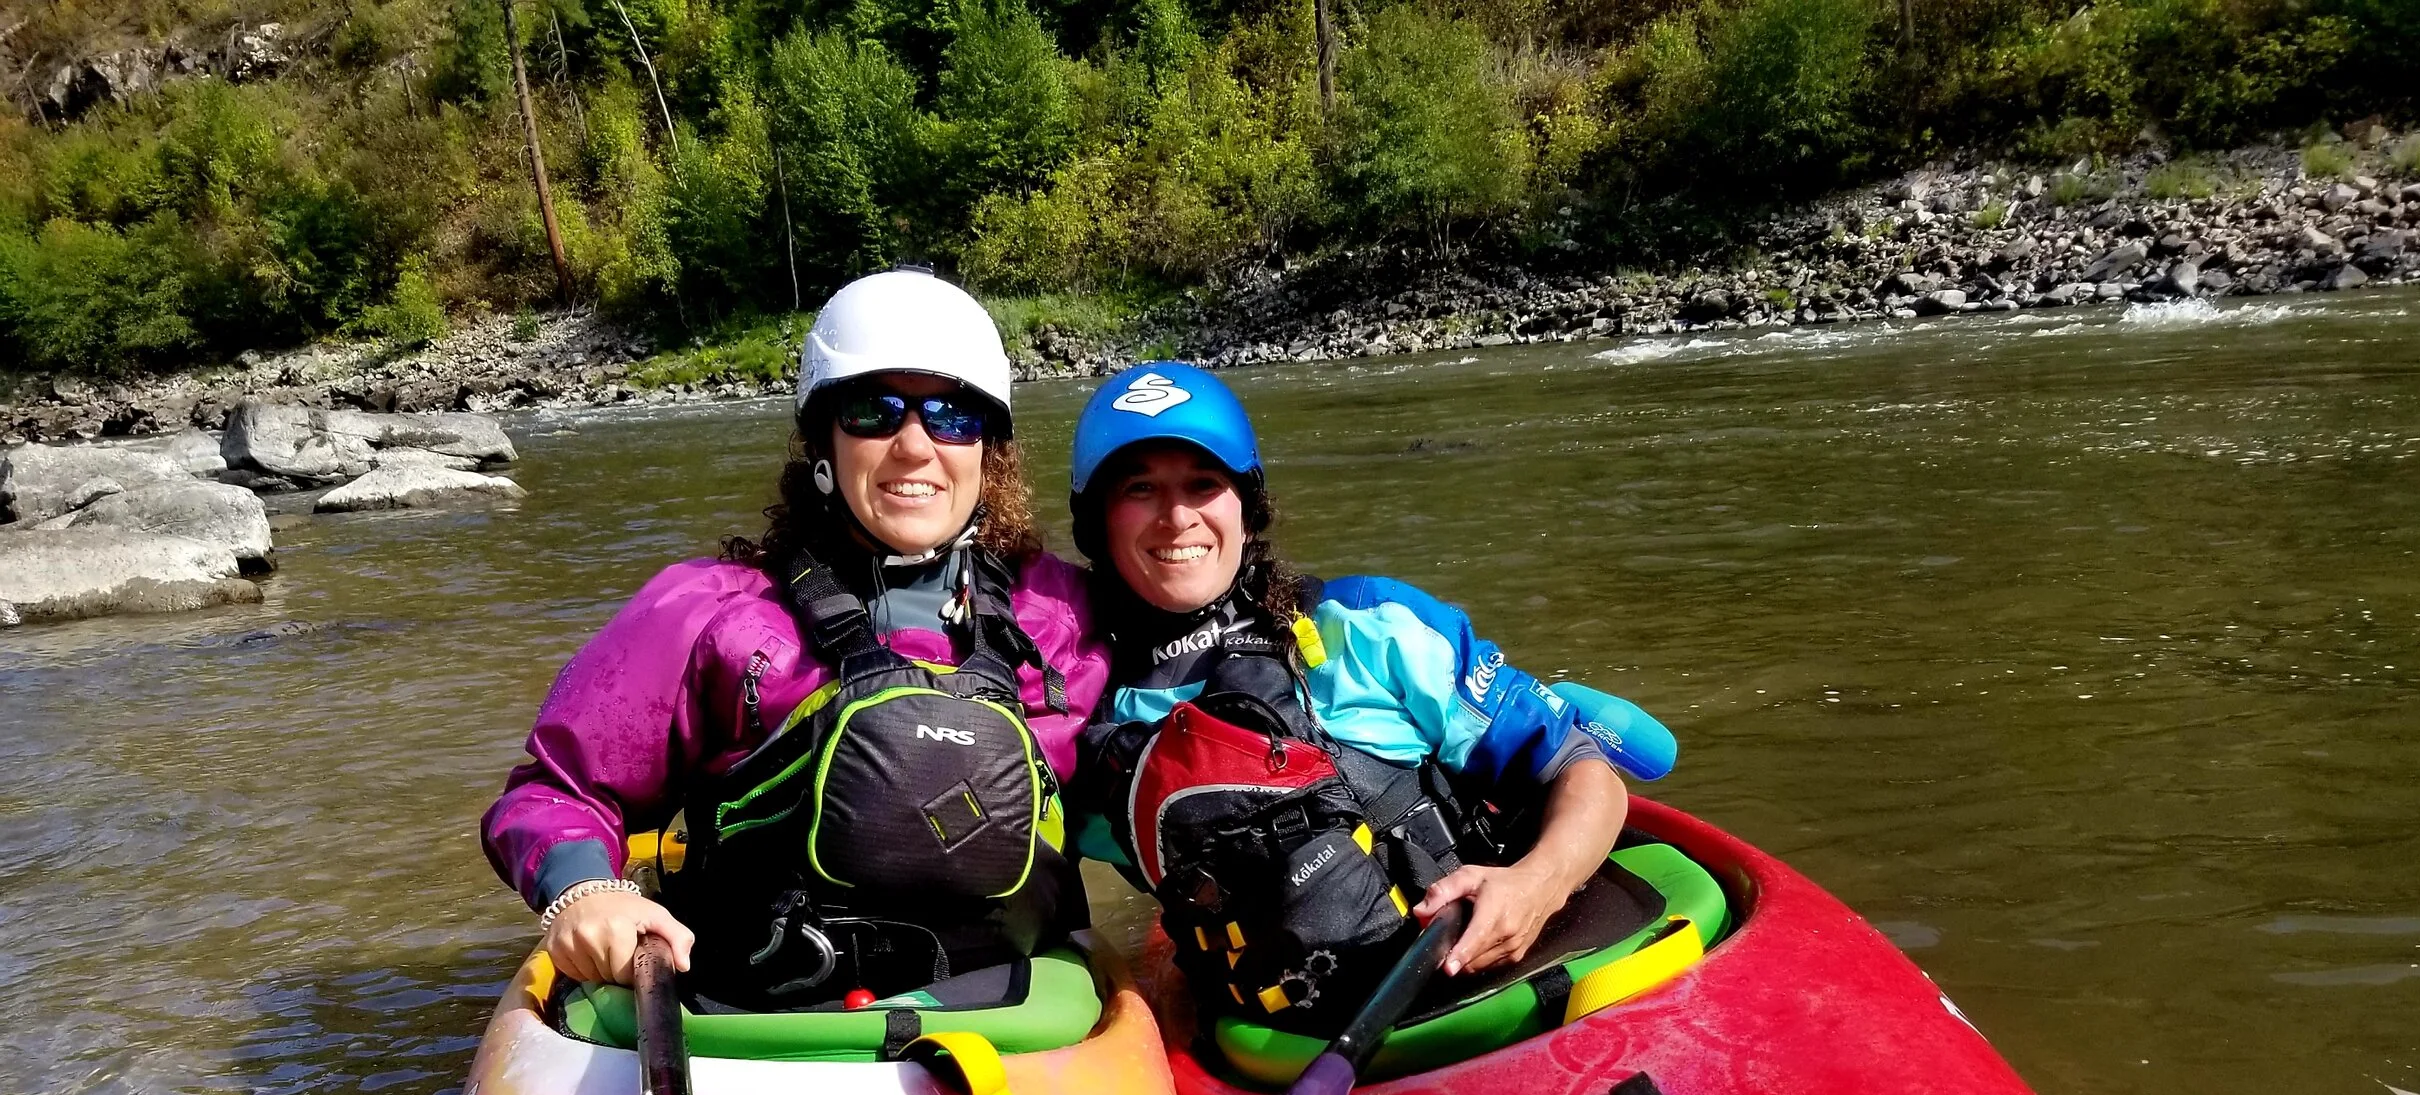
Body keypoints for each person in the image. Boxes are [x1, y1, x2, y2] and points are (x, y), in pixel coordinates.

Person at [482, 269, 1106, 1009]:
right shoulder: (710, 612)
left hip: (1014, 1023)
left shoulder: (1062, 613)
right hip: (753, 1017)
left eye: (951, 416)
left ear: (987, 451)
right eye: (874, 411)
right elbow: (558, 789)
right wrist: (582, 890)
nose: (914, 445)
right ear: (823, 440)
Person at [1067, 362, 1638, 1033]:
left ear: (1245, 511)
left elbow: (1582, 769)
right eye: (1141, 488)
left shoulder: (1368, 625)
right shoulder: (1095, 725)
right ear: (1099, 524)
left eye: (1203, 483)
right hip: (1295, 1049)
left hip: (1497, 979)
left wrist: (1536, 886)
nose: (1178, 516)